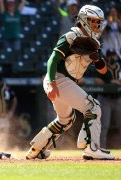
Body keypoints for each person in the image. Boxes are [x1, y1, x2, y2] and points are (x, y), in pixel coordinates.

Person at [25, 5, 115, 160]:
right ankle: (92, 148)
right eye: (93, 21)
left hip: (65, 81)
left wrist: (96, 58)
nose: (97, 25)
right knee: (93, 107)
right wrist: (52, 83)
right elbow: (52, 60)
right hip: (57, 78)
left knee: (66, 119)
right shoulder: (71, 35)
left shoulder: (94, 42)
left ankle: (36, 149)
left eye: (98, 21)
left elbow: (103, 71)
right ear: (83, 20)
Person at [94, 49, 121, 148]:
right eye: (110, 56)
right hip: (105, 98)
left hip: (118, 98)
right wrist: (111, 82)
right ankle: (101, 148)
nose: (112, 58)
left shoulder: (119, 67)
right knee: (104, 126)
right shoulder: (103, 67)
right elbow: (96, 81)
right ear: (107, 57)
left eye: (113, 56)